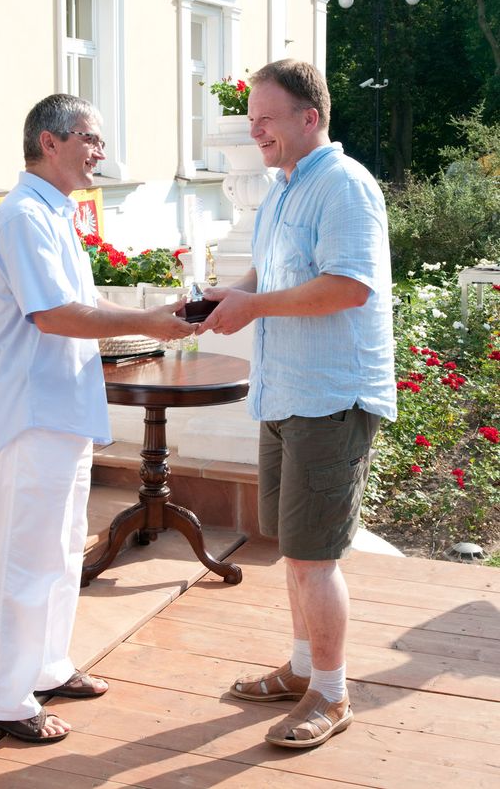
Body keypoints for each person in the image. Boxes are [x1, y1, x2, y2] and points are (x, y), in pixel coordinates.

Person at [0, 94, 195, 744]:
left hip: (59, 405)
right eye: (90, 138)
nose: (100, 151)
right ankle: (2, 696)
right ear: (50, 141)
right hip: (31, 410)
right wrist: (147, 320)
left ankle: (46, 665)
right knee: (25, 556)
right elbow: (53, 314)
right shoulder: (23, 217)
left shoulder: (53, 212)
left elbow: (79, 304)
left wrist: (147, 327)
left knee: (62, 547)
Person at [197, 59, 396, 750]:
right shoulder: (284, 188)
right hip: (285, 392)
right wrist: (236, 294)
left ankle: (332, 694)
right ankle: (303, 668)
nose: (255, 130)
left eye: (266, 119)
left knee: (315, 558)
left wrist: (254, 306)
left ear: (309, 118)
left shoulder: (344, 187)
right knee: (296, 550)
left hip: (330, 396)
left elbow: (348, 287)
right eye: (252, 119)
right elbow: (272, 269)